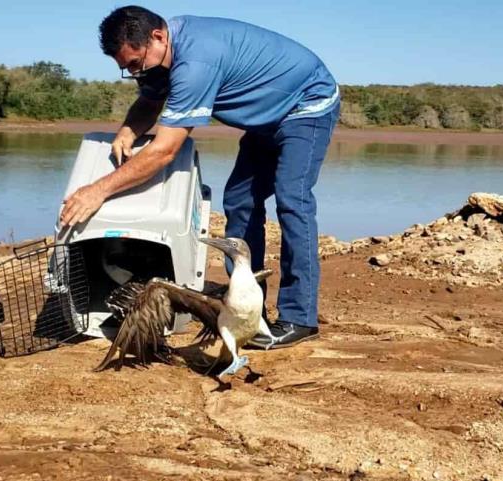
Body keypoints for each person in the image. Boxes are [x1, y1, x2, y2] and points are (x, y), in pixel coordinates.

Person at [60, 6, 339, 349]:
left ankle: (300, 318)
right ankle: (248, 308)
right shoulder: (161, 53)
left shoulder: (195, 64)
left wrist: (97, 191)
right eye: (125, 68)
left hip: (306, 106)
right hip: (265, 121)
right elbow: (150, 100)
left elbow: (165, 151)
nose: (133, 73)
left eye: (135, 64)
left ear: (158, 37)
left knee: (292, 200)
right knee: (239, 201)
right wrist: (127, 132)